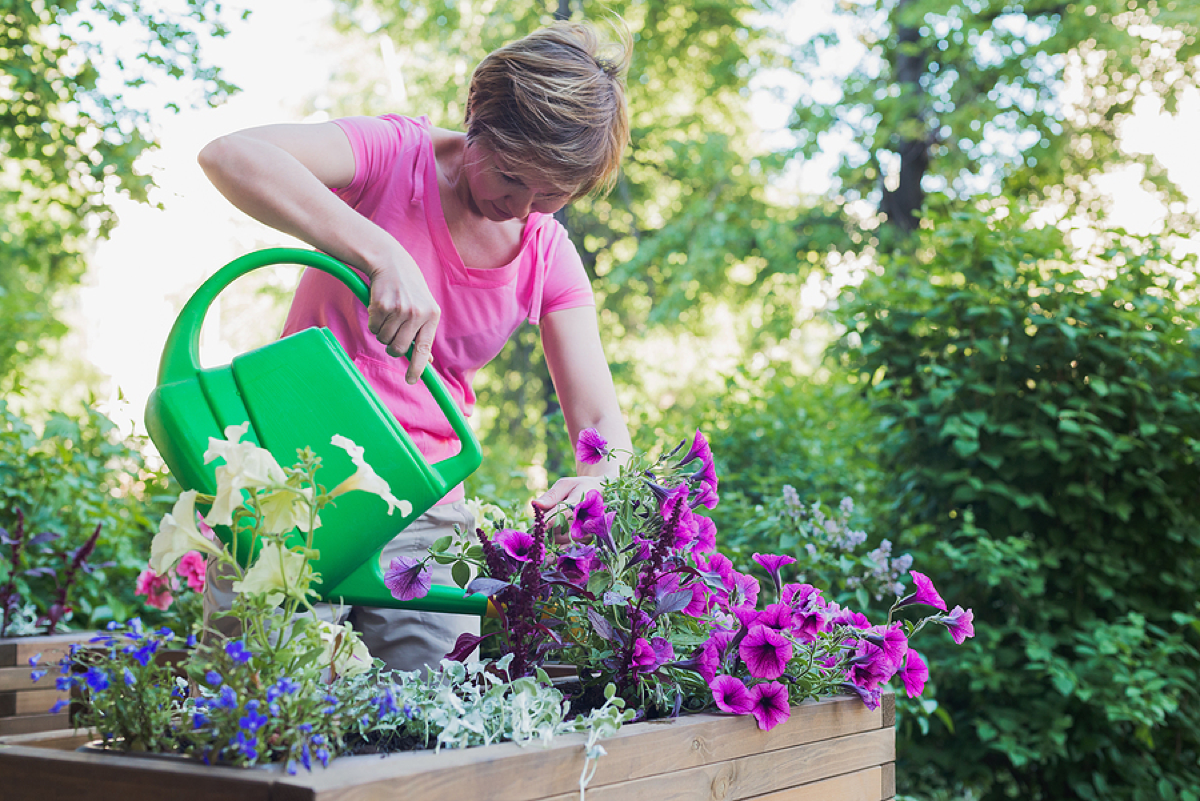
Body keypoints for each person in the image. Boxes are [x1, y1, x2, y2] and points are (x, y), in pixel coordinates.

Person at [196, 20, 635, 673]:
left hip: (424, 508)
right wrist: (380, 252)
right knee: (255, 698)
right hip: (288, 482)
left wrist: (597, 478)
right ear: (478, 118)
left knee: (433, 731)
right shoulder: (392, 155)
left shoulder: (546, 253)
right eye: (512, 177)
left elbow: (606, 430)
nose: (522, 208)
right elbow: (231, 155)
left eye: (552, 194)